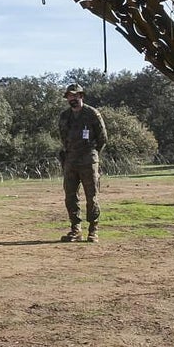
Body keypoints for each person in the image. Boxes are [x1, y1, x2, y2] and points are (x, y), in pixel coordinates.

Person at [57, 83, 106, 242]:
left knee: (91, 196)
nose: (73, 99)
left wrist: (92, 153)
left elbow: (102, 138)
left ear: (81, 96)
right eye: (70, 96)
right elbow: (63, 137)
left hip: (88, 159)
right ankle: (75, 229)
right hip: (71, 159)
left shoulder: (92, 114)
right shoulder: (64, 116)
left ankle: (93, 229)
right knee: (70, 195)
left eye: (75, 95)